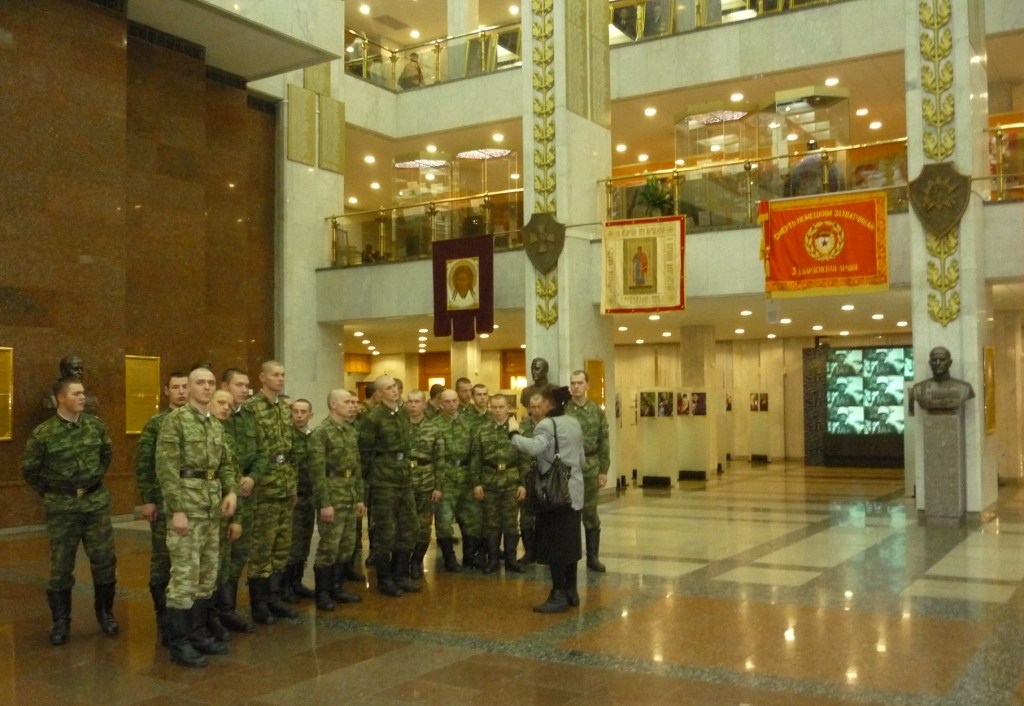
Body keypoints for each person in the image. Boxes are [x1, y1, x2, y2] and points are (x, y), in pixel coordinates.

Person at [22, 375, 118, 646]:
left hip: (94, 503)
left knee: (104, 560)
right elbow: (30, 470)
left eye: (82, 393)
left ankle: (105, 613)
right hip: (62, 507)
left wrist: (92, 481)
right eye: (76, 393)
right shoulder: (44, 433)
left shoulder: (95, 427)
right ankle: (61, 622)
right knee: (61, 567)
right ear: (60, 398)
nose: (82, 397)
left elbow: (106, 456)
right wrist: (54, 492)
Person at [156, 367, 238, 667]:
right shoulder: (175, 422)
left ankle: (199, 632)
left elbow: (227, 464)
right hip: (187, 511)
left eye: (211, 383)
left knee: (206, 576)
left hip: (211, 510)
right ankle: (179, 642)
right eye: (200, 383)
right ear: (187, 388)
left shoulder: (215, 425)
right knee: (184, 578)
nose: (206, 387)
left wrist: (230, 492)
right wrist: (176, 509)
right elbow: (166, 469)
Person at [509, 386, 585, 613]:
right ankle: (572, 592)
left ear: (550, 404)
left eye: (542, 402)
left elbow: (534, 448)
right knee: (570, 543)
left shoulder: (546, 425)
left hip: (554, 494)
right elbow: (581, 458)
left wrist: (513, 433)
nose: (538, 406)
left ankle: (558, 594)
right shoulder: (574, 422)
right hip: (574, 491)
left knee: (554, 545)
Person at [134, 370, 189, 645]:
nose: (181, 391)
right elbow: (144, 464)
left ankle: (187, 617)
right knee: (163, 560)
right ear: (166, 391)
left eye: (184, 387)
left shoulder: (196, 422)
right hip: (163, 502)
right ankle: (163, 617)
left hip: (192, 501)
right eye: (175, 387)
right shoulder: (156, 424)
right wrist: (148, 498)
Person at [244, 360, 299, 623]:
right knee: (261, 547)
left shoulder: (285, 407)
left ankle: (274, 597)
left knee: (281, 545)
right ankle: (259, 603)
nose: (280, 378)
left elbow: (290, 450)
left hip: (285, 482)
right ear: (262, 378)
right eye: (275, 375)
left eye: (283, 374)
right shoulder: (251, 408)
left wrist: (293, 484)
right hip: (263, 486)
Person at [358, 374, 421, 596]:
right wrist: (367, 486)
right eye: (388, 388)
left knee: (409, 527)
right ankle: (384, 580)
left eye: (395, 386)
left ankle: (399, 575)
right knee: (385, 531)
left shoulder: (403, 413)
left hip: (403, 477)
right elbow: (365, 452)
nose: (394, 390)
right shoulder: (373, 418)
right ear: (379, 393)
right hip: (383, 479)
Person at [309, 389, 366, 610]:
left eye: (355, 402)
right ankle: (323, 593)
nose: (354, 406)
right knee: (329, 547)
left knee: (347, 545)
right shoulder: (322, 432)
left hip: (350, 494)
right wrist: (324, 503)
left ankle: (337, 588)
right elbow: (317, 471)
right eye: (348, 402)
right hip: (332, 494)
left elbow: (357, 466)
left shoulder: (350, 430)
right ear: (333, 404)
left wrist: (359, 497)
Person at [215, 368, 257, 634]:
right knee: (217, 560)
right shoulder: (214, 421)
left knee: (237, 556)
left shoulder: (248, 417)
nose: (244, 390)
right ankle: (214, 614)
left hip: (243, 495)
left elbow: (261, 452)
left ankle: (227, 610)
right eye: (238, 384)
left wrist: (253, 477)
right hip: (215, 498)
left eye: (246, 385)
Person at [470, 393, 526, 574]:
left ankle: (511, 559)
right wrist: (476, 483)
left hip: (511, 480)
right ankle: (493, 559)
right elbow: (476, 459)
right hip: (489, 480)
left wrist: (522, 483)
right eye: (494, 407)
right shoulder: (482, 430)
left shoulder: (517, 429)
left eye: (501, 407)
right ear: (489, 407)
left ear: (508, 407)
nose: (497, 411)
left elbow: (524, 458)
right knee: (491, 522)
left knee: (511, 522)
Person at [565, 370, 610, 573]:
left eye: (579, 383)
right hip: (569, 468)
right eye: (573, 383)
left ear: (587, 385)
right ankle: (569, 557)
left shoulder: (596, 411)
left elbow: (604, 441)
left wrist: (603, 469)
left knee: (590, 512)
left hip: (591, 466)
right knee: (569, 513)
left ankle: (593, 558)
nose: (576, 387)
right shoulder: (564, 410)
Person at [405, 390, 445, 579]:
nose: (413, 405)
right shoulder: (400, 428)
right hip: (403, 483)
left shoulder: (433, 429)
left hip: (426, 482)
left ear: (423, 404)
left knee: (423, 525)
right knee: (404, 523)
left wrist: (438, 486)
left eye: (417, 402)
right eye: (410, 402)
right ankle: (401, 561)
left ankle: (416, 561)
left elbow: (439, 459)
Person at [435, 389, 474, 571]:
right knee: (444, 521)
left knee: (470, 519)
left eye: (454, 401)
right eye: (447, 401)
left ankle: (469, 557)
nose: (451, 405)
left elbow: (475, 452)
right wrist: (437, 484)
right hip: (446, 477)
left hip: (466, 476)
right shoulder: (434, 425)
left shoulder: (467, 422)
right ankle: (449, 559)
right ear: (441, 404)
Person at [283, 398, 317, 604]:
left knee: (304, 542)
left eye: (303, 412)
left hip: (309, 497)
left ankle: (297, 582)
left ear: (310, 415)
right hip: (293, 497)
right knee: (291, 544)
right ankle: (285, 586)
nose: (299, 415)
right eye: (295, 411)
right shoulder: (287, 437)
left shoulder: (313, 437)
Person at [912, 346, 976, 411]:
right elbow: (911, 410)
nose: (938, 363)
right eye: (934, 360)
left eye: (942, 360)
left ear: (950, 363)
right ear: (930, 363)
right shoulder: (918, 389)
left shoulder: (965, 388)